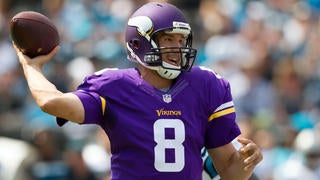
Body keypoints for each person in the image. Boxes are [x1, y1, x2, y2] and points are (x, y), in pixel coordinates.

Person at [13, 2, 263, 179]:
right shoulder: (114, 86)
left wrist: (245, 165)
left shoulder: (206, 85)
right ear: (139, 43)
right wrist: (30, 65)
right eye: (168, 40)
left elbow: (229, 173)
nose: (177, 48)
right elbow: (51, 103)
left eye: (180, 40)